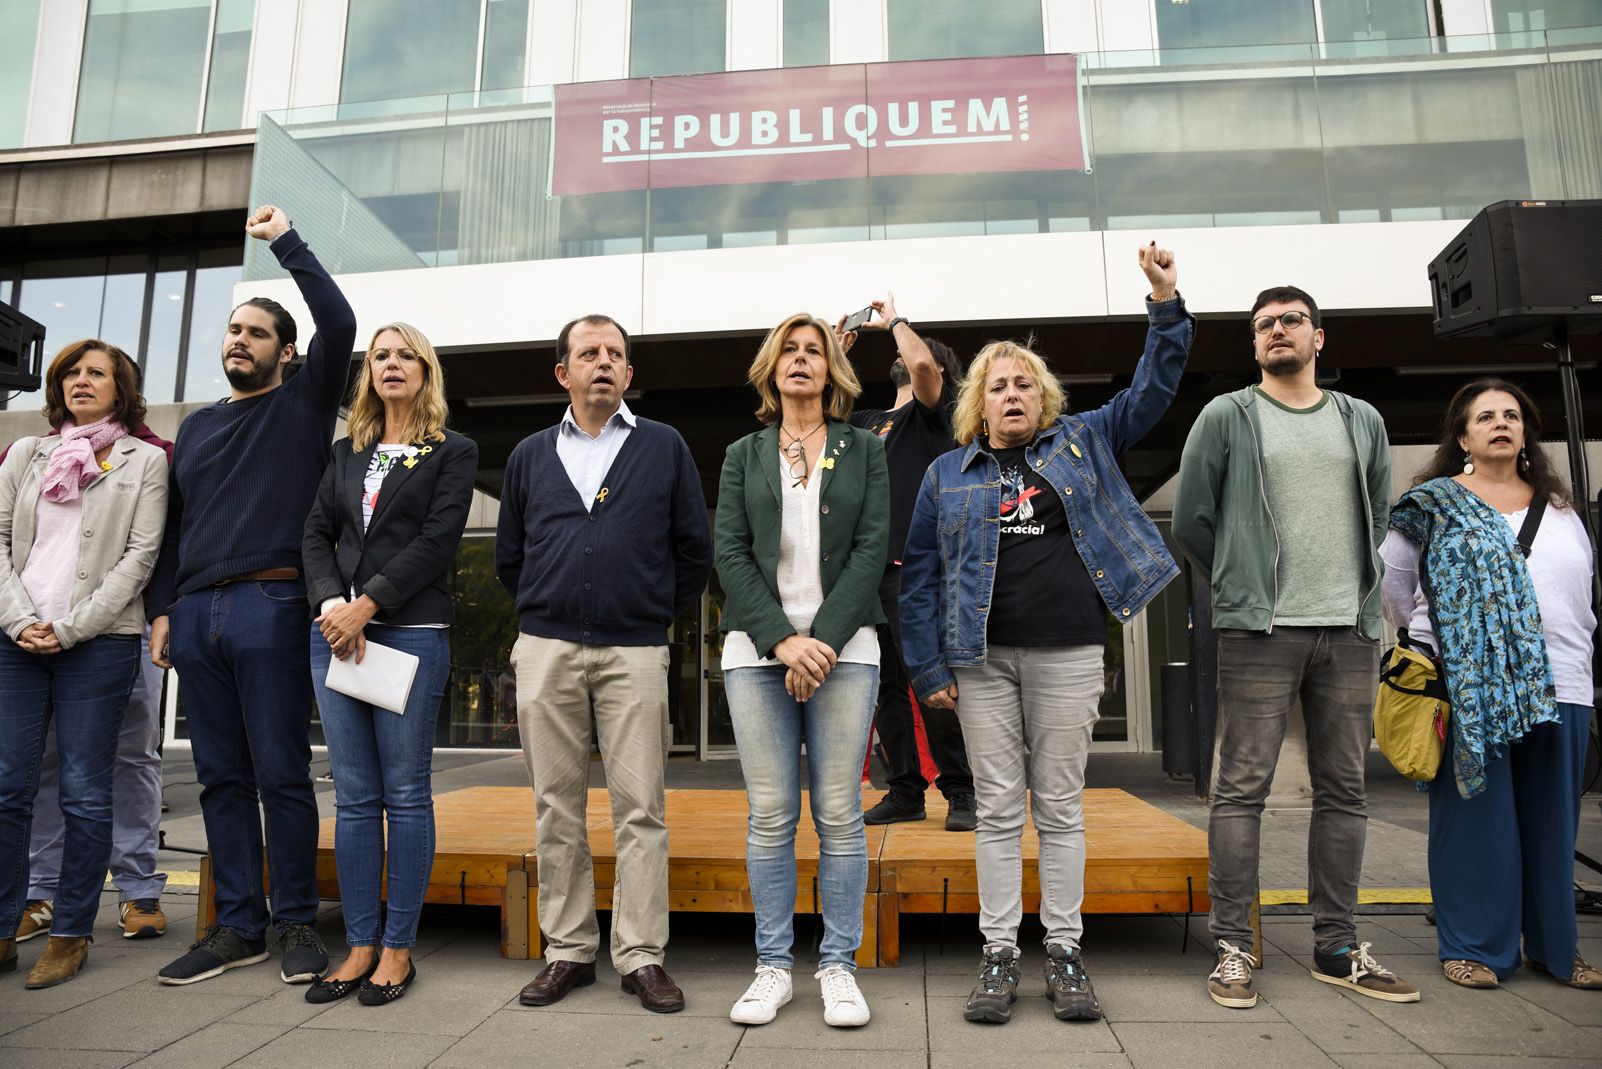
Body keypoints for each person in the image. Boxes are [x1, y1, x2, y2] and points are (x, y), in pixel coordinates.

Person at [901, 244, 1191, 1025]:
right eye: (997, 386)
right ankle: (998, 953)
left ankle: (1064, 948)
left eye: (1024, 381)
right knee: (998, 807)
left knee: (1059, 805)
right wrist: (928, 666)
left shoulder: (1085, 440)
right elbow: (920, 575)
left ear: (1044, 396)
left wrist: (1164, 302)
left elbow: (1154, 387)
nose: (1012, 393)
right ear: (978, 405)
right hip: (981, 662)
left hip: (1068, 653)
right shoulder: (945, 476)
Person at [1173, 285, 1417, 1009]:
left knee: (1345, 790)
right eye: (1263, 326)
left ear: (1318, 337)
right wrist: (1242, 579)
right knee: (1241, 789)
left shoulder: (1360, 419)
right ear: (1255, 346)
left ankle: (1336, 945)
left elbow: (1377, 509)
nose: (1277, 331)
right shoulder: (1229, 415)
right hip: (1261, 628)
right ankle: (1232, 947)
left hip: (1348, 628)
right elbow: (1192, 519)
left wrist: (1357, 597)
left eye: (1290, 321)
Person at [145, 206, 358, 986]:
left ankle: (295, 919)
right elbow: (172, 526)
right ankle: (239, 924)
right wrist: (164, 608)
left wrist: (286, 242)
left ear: (287, 352)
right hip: (198, 615)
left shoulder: (302, 405)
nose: (240, 340)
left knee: (280, 769)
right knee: (218, 777)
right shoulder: (197, 430)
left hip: (272, 606)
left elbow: (340, 316)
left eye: (257, 332)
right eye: (233, 331)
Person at [497, 314, 710, 1015]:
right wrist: (550, 609)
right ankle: (568, 949)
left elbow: (692, 551)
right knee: (555, 805)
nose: (604, 362)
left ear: (627, 372)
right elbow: (510, 557)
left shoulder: (664, 445)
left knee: (640, 808)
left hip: (636, 649)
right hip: (548, 647)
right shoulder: (530, 454)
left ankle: (642, 955)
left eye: (615, 353)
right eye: (589, 352)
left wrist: (647, 611)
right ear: (563, 372)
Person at [1382, 378, 1599, 992]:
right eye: (1486, 417)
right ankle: (1473, 946)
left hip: (1562, 682)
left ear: (1526, 432)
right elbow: (1396, 587)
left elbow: (1580, 595)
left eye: (1512, 415)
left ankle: (1556, 950)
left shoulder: (1560, 510)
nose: (1501, 423)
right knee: (1477, 818)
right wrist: (1443, 645)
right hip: (1467, 684)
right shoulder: (1433, 503)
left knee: (1552, 823)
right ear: (1463, 437)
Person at [715, 312, 887, 1028]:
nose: (800, 359)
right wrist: (786, 641)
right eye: (788, 349)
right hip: (756, 655)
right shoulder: (743, 452)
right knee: (771, 815)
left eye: (814, 350)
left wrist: (821, 640)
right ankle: (773, 965)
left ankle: (839, 966)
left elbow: (873, 548)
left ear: (832, 370)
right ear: (770, 367)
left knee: (841, 814)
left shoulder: (863, 448)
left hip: (847, 653)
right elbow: (728, 552)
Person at [301, 323, 477, 1006]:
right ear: (368, 371)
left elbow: (438, 540)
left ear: (426, 370)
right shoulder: (347, 451)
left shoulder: (451, 450)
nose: (393, 364)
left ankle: (399, 948)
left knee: (404, 794)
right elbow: (315, 532)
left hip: (407, 632)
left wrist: (364, 606)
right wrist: (329, 605)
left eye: (406, 355)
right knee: (353, 797)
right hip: (335, 634)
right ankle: (360, 944)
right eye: (381, 356)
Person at [0, 339, 168, 987]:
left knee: (85, 790)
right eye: (71, 371)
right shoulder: (24, 453)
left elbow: (141, 555)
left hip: (99, 643)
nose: (80, 380)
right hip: (16, 640)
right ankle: (6, 923)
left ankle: (70, 933)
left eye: (96, 372)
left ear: (121, 388)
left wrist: (69, 628)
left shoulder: (144, 460)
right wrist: (19, 620)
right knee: (10, 785)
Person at [836, 297, 976, 832]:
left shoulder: (933, 413)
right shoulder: (870, 421)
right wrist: (837, 347)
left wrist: (893, 321)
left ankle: (962, 790)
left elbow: (919, 366)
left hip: (916, 571)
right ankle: (905, 790)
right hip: (863, 574)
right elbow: (823, 409)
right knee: (883, 687)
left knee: (929, 681)